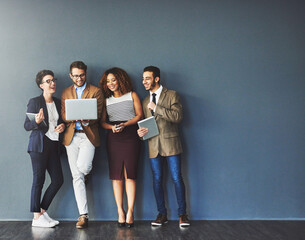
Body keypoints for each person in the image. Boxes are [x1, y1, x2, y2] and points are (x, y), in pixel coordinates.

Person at [137, 66, 190, 227]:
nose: (144, 81)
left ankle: (183, 214)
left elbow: (178, 117)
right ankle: (162, 214)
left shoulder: (172, 94)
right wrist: (141, 133)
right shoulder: (145, 100)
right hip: (153, 145)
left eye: (147, 78)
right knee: (157, 180)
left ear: (156, 78)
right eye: (143, 78)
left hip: (171, 144)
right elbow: (149, 125)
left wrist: (157, 108)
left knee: (176, 178)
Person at [61, 61, 103, 229]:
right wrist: (75, 116)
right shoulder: (65, 92)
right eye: (75, 75)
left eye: (82, 75)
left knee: (83, 167)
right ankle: (83, 215)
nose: (79, 78)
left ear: (86, 74)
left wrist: (87, 119)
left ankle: (86, 173)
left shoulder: (96, 91)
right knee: (76, 177)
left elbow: (98, 115)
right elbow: (64, 115)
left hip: (88, 135)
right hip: (71, 137)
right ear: (71, 76)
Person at [99, 67, 143, 228]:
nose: (111, 83)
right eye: (108, 81)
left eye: (113, 80)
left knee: (130, 174)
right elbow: (102, 122)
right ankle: (120, 211)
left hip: (131, 135)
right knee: (116, 175)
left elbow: (140, 115)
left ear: (120, 80)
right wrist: (112, 128)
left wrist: (125, 124)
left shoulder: (132, 95)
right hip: (114, 137)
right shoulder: (106, 100)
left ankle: (131, 211)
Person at [24, 70, 65, 228]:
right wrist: (37, 121)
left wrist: (62, 126)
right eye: (48, 81)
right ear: (41, 85)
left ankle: (41, 211)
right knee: (38, 180)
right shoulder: (34, 102)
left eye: (53, 80)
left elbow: (61, 122)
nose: (52, 83)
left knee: (58, 180)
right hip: (39, 146)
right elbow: (27, 125)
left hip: (54, 144)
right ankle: (36, 217)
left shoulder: (58, 101)